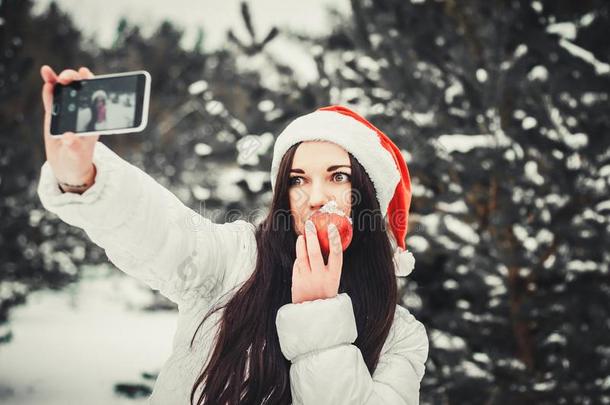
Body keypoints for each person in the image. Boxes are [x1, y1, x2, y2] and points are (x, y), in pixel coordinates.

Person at [37, 65, 429, 405]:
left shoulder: (400, 336)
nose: (315, 197)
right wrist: (82, 177)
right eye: (297, 180)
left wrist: (320, 316)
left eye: (338, 176)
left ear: (370, 199)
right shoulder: (236, 261)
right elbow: (160, 231)